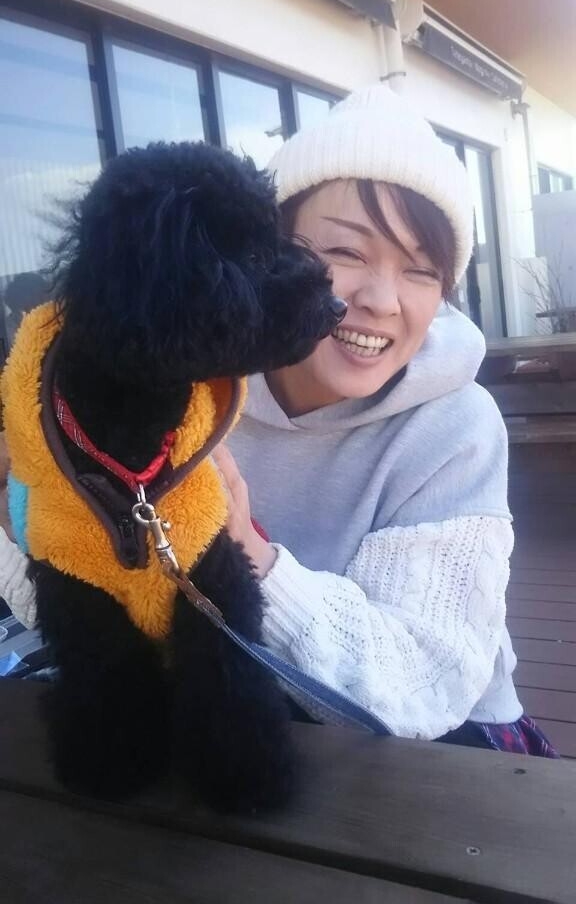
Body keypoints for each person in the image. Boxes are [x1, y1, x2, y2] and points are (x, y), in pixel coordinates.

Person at [0, 85, 558, 755]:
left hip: (428, 748)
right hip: (212, 715)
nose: (381, 300)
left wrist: (250, 556)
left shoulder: (456, 426)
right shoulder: (180, 386)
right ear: (259, 249)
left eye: (421, 270)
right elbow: (87, 604)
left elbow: (426, 680)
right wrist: (35, 530)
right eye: (346, 252)